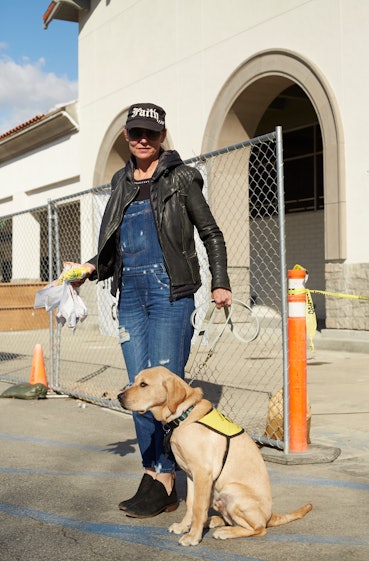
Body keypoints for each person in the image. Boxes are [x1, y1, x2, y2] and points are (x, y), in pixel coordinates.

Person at [75, 102, 232, 518]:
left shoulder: (181, 178)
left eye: (151, 134)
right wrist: (89, 268)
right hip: (130, 297)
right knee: (135, 391)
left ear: (162, 138)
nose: (142, 140)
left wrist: (220, 281)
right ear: (126, 136)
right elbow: (112, 248)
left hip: (170, 294)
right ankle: (152, 472)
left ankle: (165, 478)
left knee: (164, 391)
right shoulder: (120, 182)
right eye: (135, 134)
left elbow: (211, 232)